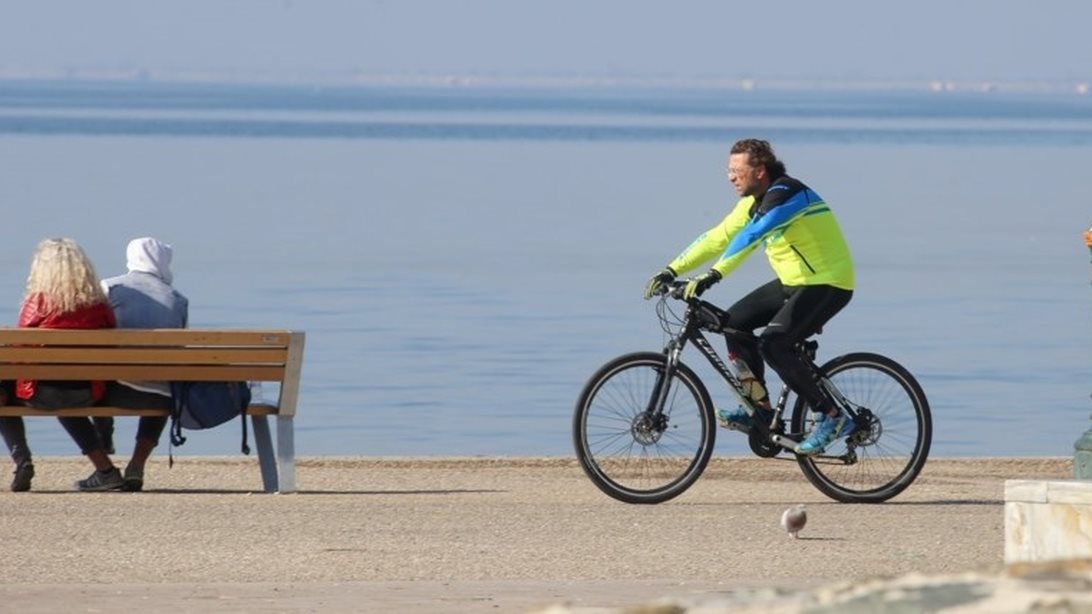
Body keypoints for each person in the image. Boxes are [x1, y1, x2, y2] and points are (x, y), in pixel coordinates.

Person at [643, 138, 855, 456]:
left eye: (736, 170)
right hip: (793, 283)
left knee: (774, 343)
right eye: (728, 170)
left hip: (829, 283)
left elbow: (752, 236)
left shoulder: (788, 194)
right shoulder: (751, 202)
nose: (730, 177)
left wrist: (712, 276)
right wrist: (671, 270)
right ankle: (761, 409)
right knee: (733, 325)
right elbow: (716, 238)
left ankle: (831, 416)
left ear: (759, 171)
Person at [0, 238, 122, 491]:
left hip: (41, 393)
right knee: (66, 392)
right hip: (89, 393)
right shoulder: (100, 306)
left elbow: (22, 352)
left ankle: (22, 460)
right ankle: (105, 469)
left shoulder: (38, 303)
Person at [97, 237, 189, 492]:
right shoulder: (178, 298)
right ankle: (137, 463)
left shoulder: (109, 288)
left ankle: (103, 445)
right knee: (161, 383)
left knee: (94, 370)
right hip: (161, 398)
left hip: (111, 393)